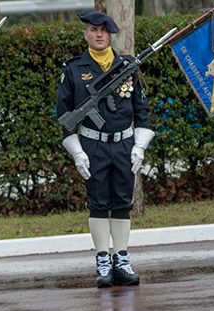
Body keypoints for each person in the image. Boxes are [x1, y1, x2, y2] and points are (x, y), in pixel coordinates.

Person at [56, 11, 155, 288]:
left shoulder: (127, 66)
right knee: (98, 203)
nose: (98, 35)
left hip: (123, 144)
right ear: (85, 34)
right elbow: (64, 116)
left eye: (103, 31)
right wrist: (77, 152)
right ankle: (103, 259)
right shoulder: (74, 69)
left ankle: (121, 258)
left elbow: (142, 111)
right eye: (92, 30)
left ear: (110, 34)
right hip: (92, 144)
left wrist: (139, 146)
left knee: (122, 203)